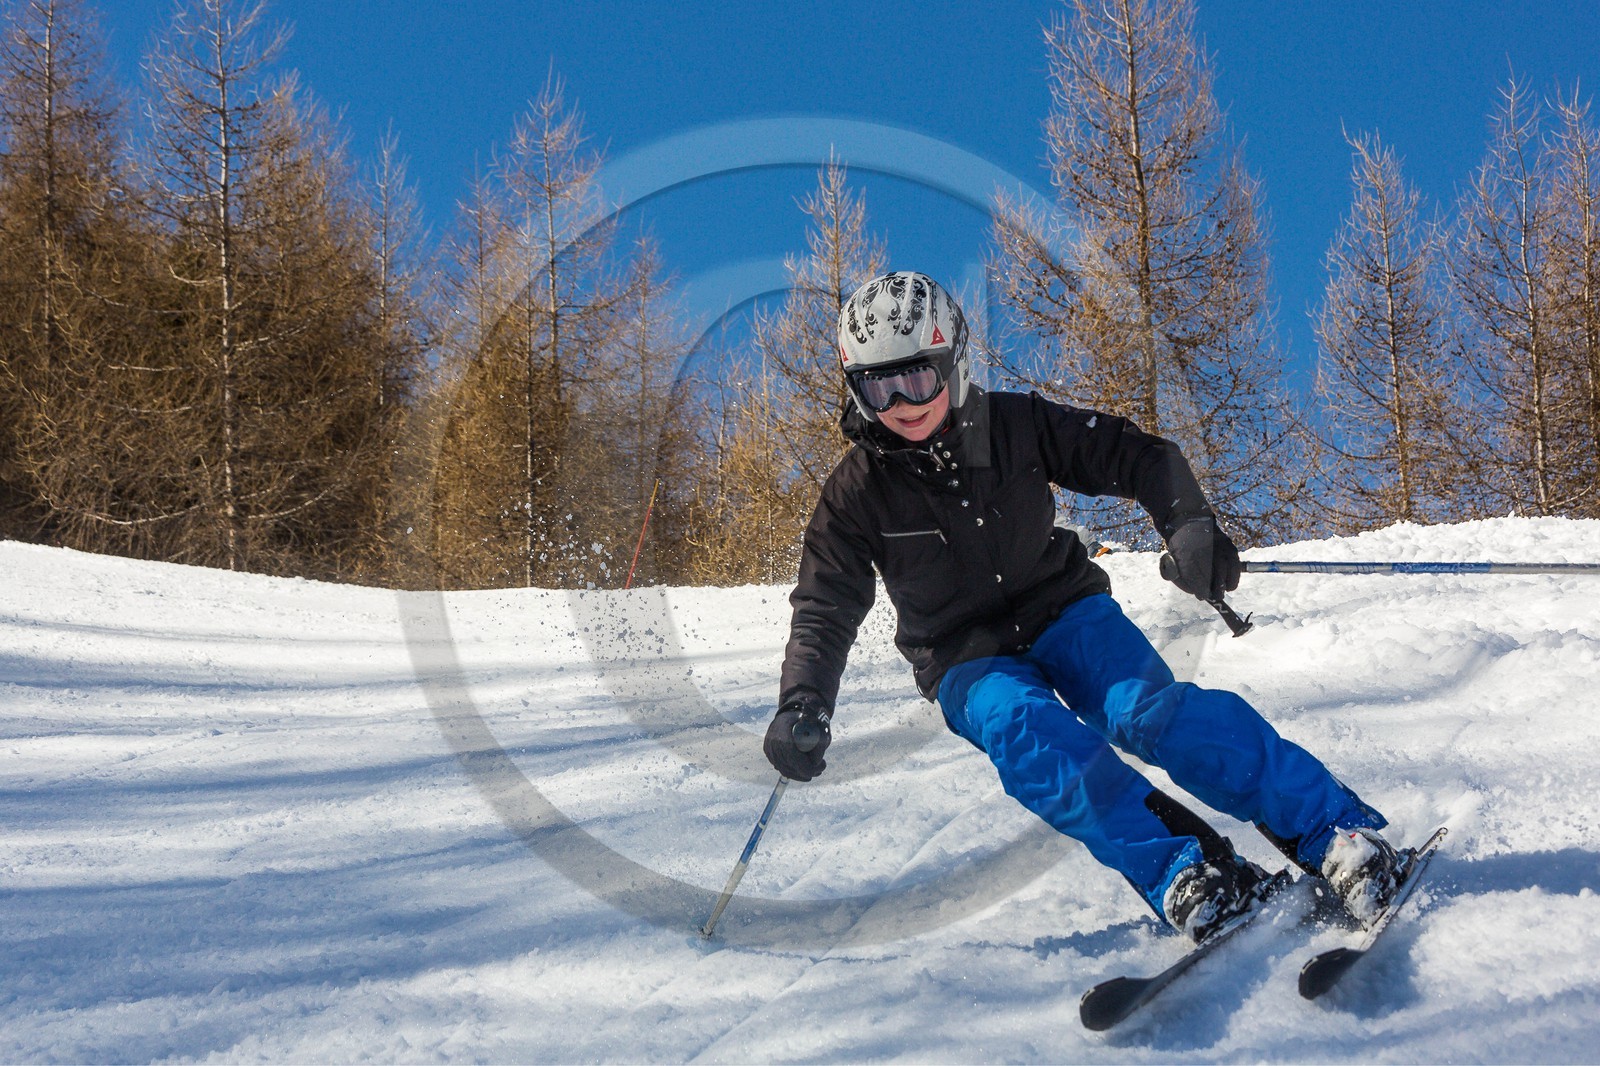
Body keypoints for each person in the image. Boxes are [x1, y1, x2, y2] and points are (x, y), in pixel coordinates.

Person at [762, 270, 1404, 942]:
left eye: (916, 378)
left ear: (951, 360)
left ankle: (1334, 834)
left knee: (1147, 713)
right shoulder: (855, 493)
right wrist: (803, 701)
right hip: (964, 659)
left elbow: (1137, 456)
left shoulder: (1013, 425)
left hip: (1066, 611)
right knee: (1028, 735)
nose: (901, 402)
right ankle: (1188, 875)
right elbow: (823, 604)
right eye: (878, 386)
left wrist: (1188, 524)